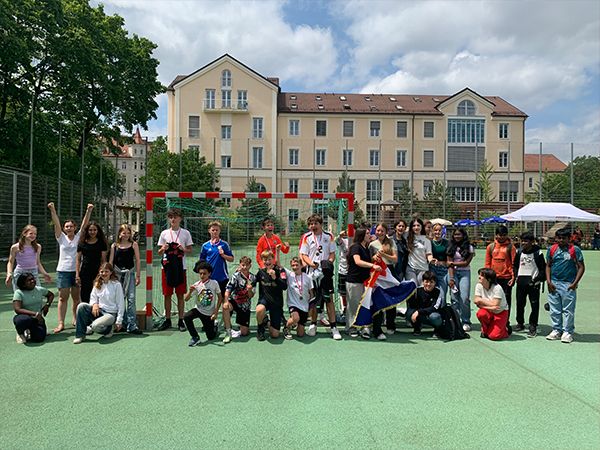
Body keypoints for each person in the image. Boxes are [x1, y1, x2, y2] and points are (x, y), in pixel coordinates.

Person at [47, 202, 93, 333]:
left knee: (76, 298)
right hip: (63, 271)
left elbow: (85, 225)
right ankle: (61, 323)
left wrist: (88, 210)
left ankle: (75, 319)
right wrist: (53, 210)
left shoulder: (79, 237)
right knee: (62, 298)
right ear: (64, 228)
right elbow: (56, 223)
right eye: (67, 226)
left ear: (75, 228)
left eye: (71, 226)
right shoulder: (61, 238)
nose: (69, 228)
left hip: (77, 272)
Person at [299, 214, 342, 340]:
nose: (313, 226)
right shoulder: (307, 237)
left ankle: (334, 327)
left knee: (328, 299)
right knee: (312, 300)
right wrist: (311, 264)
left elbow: (332, 254)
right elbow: (304, 254)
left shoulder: (329, 237)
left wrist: (327, 264)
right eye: (311, 224)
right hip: (311, 272)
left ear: (320, 224)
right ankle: (313, 324)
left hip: (324, 273)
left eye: (315, 223)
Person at [545, 228, 585, 343]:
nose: (561, 240)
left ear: (569, 239)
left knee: (568, 310)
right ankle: (556, 330)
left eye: (564, 238)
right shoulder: (552, 249)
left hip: (568, 284)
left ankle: (567, 331)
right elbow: (548, 265)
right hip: (554, 283)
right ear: (556, 238)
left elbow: (581, 267)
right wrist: (549, 281)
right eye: (559, 238)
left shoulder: (574, 250)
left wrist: (574, 283)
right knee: (554, 309)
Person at [157, 208, 194, 332]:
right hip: (167, 269)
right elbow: (159, 252)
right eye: (171, 217)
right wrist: (164, 248)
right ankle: (167, 320)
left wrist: (182, 249)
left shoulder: (185, 233)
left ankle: (180, 320)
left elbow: (190, 250)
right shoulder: (164, 233)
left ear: (180, 219)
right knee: (167, 295)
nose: (173, 219)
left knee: (180, 295)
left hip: (180, 268)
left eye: (175, 217)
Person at [345, 228, 383, 339]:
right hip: (354, 281)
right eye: (367, 233)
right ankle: (351, 327)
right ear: (361, 235)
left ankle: (361, 326)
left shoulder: (365, 248)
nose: (369, 235)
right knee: (353, 305)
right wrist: (372, 265)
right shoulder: (356, 247)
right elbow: (358, 261)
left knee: (362, 305)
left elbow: (366, 260)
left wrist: (373, 259)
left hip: (363, 281)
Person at [73, 263, 125, 344]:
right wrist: (94, 304)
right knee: (81, 306)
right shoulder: (97, 284)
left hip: (110, 315)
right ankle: (80, 335)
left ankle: (109, 329)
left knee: (95, 326)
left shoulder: (116, 285)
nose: (104, 274)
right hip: (99, 312)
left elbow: (121, 303)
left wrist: (119, 321)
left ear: (111, 272)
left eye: (106, 271)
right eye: (102, 272)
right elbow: (93, 298)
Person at [109, 224, 142, 335]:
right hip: (117, 275)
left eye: (128, 233)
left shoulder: (134, 245)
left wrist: (138, 275)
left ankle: (132, 324)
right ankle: (121, 323)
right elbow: (111, 261)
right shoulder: (114, 246)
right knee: (119, 299)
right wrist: (110, 276)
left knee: (131, 299)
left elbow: (137, 260)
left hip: (130, 274)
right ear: (119, 233)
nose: (126, 235)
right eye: (124, 233)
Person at [513, 231, 546, 338]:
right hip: (521, 282)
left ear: (532, 242)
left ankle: (533, 325)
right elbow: (515, 266)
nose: (523, 243)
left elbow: (543, 269)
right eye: (522, 241)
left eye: (526, 241)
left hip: (533, 283)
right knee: (520, 304)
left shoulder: (538, 253)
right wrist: (515, 276)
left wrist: (537, 280)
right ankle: (520, 323)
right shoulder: (519, 252)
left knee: (534, 305)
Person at [183, 261, 223, 347]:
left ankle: (214, 326)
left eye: (204, 273)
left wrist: (216, 312)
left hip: (209, 313)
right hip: (198, 309)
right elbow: (185, 299)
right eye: (200, 273)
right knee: (186, 316)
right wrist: (190, 291)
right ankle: (195, 337)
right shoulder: (196, 285)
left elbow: (220, 297)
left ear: (209, 273)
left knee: (211, 337)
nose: (202, 276)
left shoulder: (214, 283)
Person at [484, 225, 516, 330]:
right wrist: (487, 277)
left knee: (506, 301)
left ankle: (505, 322)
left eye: (503, 235)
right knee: (492, 299)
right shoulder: (491, 247)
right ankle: (492, 320)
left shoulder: (511, 247)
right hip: (494, 278)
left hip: (506, 278)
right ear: (496, 235)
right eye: (499, 235)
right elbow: (487, 263)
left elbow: (514, 263)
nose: (501, 237)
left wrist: (513, 276)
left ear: (507, 235)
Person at [369, 222, 398, 334]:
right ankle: (377, 323)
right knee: (377, 298)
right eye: (378, 230)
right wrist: (374, 257)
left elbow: (395, 259)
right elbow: (369, 260)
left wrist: (383, 255)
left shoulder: (391, 242)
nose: (379, 232)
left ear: (386, 232)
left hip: (389, 271)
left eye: (382, 231)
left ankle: (391, 324)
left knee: (391, 298)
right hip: (377, 272)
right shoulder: (372, 244)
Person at [253, 250, 288, 341]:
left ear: (273, 259)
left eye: (269, 259)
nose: (267, 262)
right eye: (265, 260)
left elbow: (284, 286)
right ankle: (260, 328)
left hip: (276, 303)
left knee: (275, 335)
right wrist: (242, 272)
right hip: (264, 300)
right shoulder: (261, 272)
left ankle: (266, 321)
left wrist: (275, 278)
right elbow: (252, 280)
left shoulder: (280, 270)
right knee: (259, 309)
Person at [6, 225, 52, 290]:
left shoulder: (38, 247)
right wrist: (9, 274)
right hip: (20, 273)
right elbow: (10, 262)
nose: (33, 235)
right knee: (19, 296)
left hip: (34, 273)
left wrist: (45, 274)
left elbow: (38, 262)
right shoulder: (15, 247)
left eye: (35, 234)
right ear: (24, 233)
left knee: (37, 294)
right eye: (31, 233)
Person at [12, 273, 55, 344]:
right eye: (29, 280)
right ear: (23, 284)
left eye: (33, 279)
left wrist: (47, 305)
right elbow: (17, 309)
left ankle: (30, 331)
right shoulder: (18, 293)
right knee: (22, 320)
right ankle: (20, 333)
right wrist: (35, 314)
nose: (33, 281)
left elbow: (51, 295)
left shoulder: (39, 289)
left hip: (37, 319)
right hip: (25, 317)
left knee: (39, 338)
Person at [222, 256, 255, 344]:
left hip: (245, 305)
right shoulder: (235, 276)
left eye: (247, 265)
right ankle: (228, 331)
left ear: (250, 266)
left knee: (244, 333)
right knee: (225, 307)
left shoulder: (252, 278)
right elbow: (227, 290)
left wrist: (249, 290)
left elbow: (251, 296)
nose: (244, 267)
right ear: (240, 265)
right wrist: (226, 301)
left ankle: (242, 327)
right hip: (234, 301)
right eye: (243, 265)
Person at [447, 228, 475, 331]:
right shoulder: (450, 247)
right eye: (455, 235)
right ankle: (455, 320)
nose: (457, 236)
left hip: (464, 273)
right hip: (453, 273)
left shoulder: (470, 247)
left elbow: (466, 263)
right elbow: (448, 264)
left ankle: (466, 321)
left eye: (459, 234)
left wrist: (453, 263)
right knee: (454, 298)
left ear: (463, 235)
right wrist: (451, 278)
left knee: (464, 298)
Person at [76, 221, 108, 304]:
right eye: (90, 230)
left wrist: (102, 274)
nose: (92, 232)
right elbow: (78, 259)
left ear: (98, 231)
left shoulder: (102, 243)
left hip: (97, 272)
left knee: (97, 294)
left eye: (94, 230)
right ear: (87, 231)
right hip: (85, 272)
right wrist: (77, 274)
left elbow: (103, 260)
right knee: (85, 295)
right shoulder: (82, 243)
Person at [282, 257, 314, 340]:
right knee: (295, 318)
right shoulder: (289, 275)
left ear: (301, 265)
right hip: (293, 304)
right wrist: (278, 251)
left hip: (304, 306)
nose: (295, 267)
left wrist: (311, 307)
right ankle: (286, 327)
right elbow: (279, 264)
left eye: (297, 265)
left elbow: (312, 294)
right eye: (293, 265)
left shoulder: (308, 277)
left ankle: (294, 323)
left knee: (300, 334)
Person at [474, 268, 510, 341]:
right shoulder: (478, 286)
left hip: (500, 313)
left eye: (482, 276)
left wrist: (481, 303)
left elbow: (495, 304)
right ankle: (485, 329)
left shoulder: (497, 288)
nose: (479, 277)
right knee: (481, 314)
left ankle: (506, 330)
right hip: (489, 311)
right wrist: (490, 307)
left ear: (489, 279)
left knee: (494, 336)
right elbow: (476, 300)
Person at [199, 221, 234, 296]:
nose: (215, 232)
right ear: (209, 231)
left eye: (216, 230)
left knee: (223, 299)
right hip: (209, 277)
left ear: (219, 231)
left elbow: (231, 259)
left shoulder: (224, 244)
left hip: (222, 277)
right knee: (209, 299)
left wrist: (223, 255)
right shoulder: (205, 246)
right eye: (213, 230)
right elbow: (201, 262)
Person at [406, 271, 443, 336]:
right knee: (409, 313)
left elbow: (434, 308)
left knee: (435, 317)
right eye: (426, 282)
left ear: (435, 283)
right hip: (421, 314)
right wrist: (410, 295)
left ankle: (437, 329)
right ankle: (417, 328)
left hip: (431, 314)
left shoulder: (438, 292)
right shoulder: (417, 290)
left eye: (431, 282)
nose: (428, 284)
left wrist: (418, 312)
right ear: (423, 282)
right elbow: (412, 305)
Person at [405, 218, 433, 286]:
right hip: (410, 268)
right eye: (414, 226)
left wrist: (431, 260)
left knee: (422, 289)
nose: (416, 227)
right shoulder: (407, 237)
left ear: (421, 227)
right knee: (412, 288)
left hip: (423, 268)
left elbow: (429, 254)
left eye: (418, 225)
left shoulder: (426, 240)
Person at [429, 223, 449, 301]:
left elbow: (449, 258)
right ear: (432, 231)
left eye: (439, 230)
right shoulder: (429, 242)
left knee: (442, 294)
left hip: (443, 270)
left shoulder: (446, 242)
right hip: (432, 269)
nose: (437, 232)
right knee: (432, 292)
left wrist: (442, 263)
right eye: (435, 230)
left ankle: (441, 310)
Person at [334, 230, 349, 323]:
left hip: (354, 272)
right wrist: (340, 235)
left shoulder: (358, 241)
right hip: (343, 271)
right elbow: (336, 240)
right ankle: (344, 310)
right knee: (343, 293)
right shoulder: (343, 241)